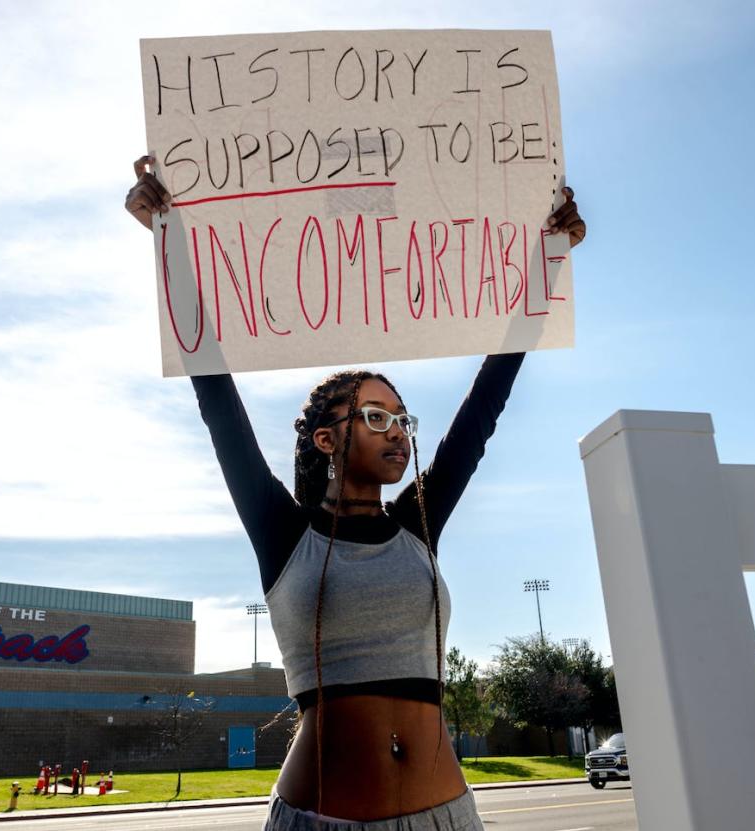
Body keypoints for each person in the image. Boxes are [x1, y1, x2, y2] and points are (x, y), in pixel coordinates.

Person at [126, 156, 585, 830]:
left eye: (401, 418)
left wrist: (548, 258)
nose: (395, 431)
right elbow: (215, 393)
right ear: (325, 440)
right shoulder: (285, 534)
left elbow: (488, 397)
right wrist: (168, 240)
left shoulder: (418, 525)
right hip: (321, 819)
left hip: (445, 817)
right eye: (374, 416)